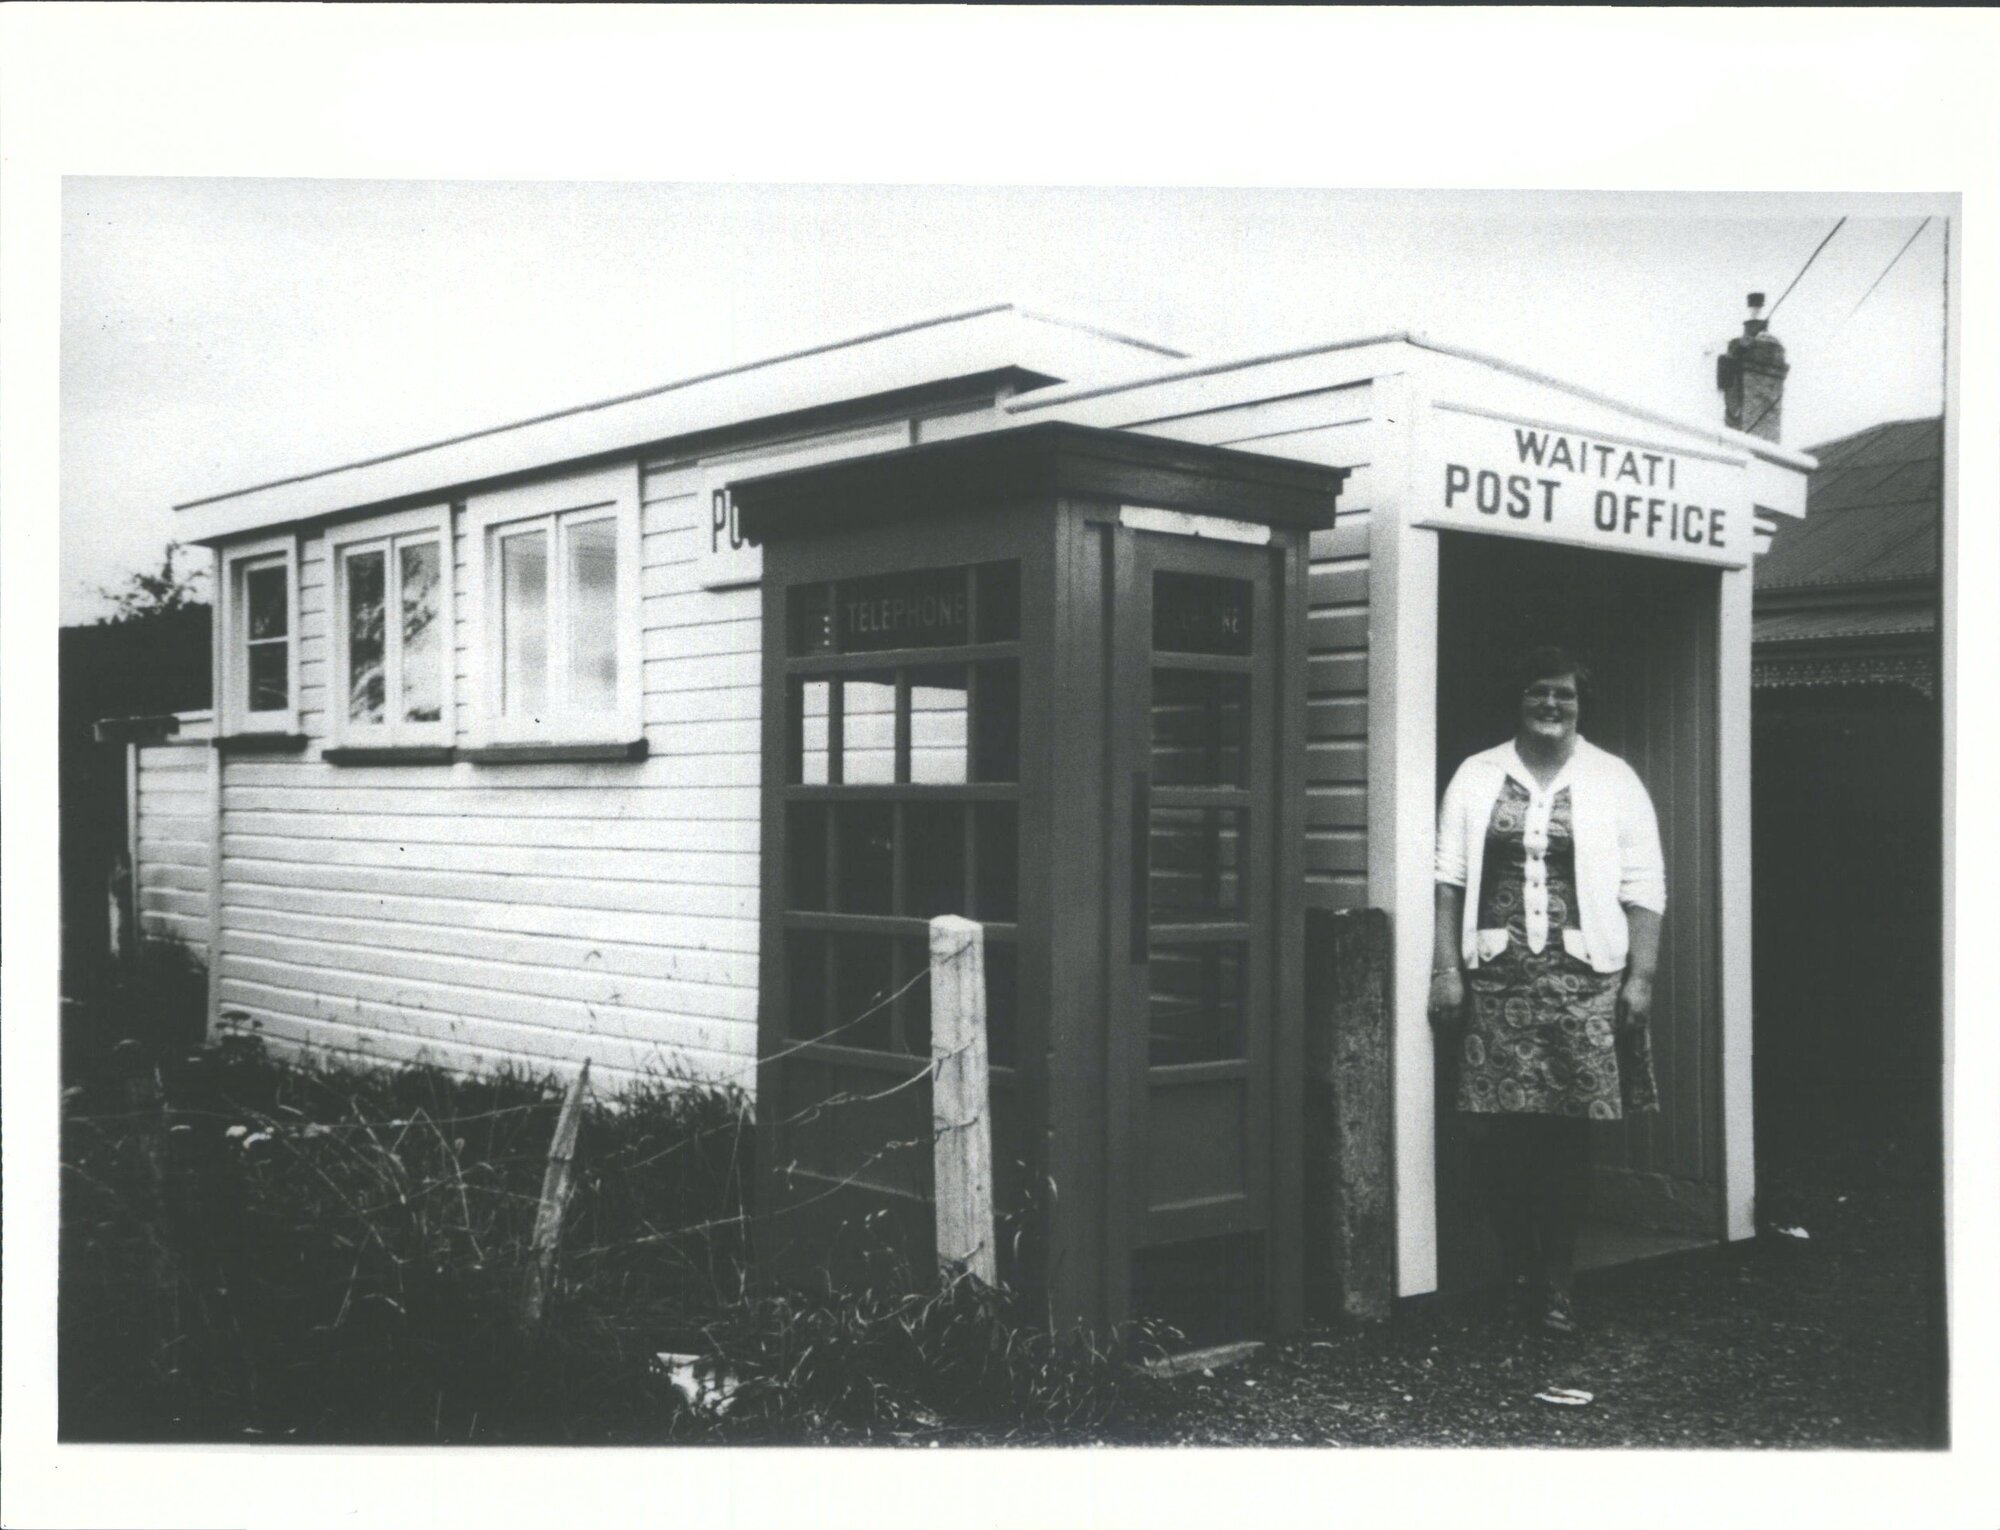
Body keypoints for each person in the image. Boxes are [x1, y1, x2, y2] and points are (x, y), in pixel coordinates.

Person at [1427, 645, 1664, 1334]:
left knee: (1565, 1138)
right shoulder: (1477, 775)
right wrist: (1446, 969)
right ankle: (1517, 1268)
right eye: (1539, 692)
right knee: (1498, 1137)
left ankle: (1558, 1280)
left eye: (1564, 694)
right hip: (1498, 983)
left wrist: (1641, 978)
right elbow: (1448, 881)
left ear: (1581, 703)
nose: (1551, 705)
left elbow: (1645, 887)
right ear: (1519, 699)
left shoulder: (1614, 778)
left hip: (1583, 983)